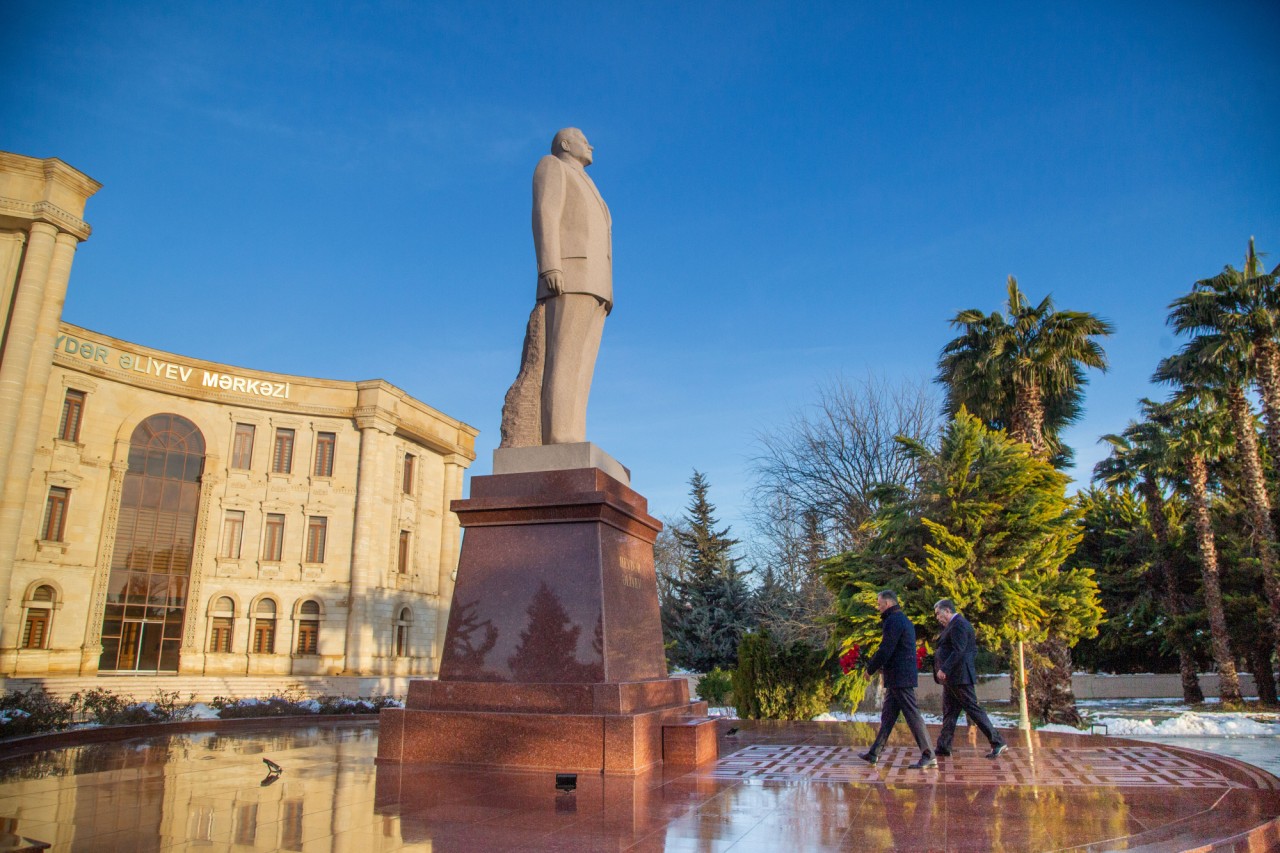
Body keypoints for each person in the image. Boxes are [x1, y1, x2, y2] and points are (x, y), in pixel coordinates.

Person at [531, 127, 612, 445]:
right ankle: (559, 436)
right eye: (583, 139)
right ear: (565, 144)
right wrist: (550, 264)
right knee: (564, 358)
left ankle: (574, 435)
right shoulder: (552, 166)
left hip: (597, 283)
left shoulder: (590, 183)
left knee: (583, 366)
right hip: (570, 274)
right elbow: (545, 214)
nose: (591, 144)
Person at [859, 590, 936, 769]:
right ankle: (874, 753)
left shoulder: (893, 620)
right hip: (898, 676)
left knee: (912, 714)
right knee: (888, 716)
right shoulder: (900, 619)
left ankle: (929, 754)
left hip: (900, 677)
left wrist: (870, 669)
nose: (878, 608)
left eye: (879, 605)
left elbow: (886, 649)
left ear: (887, 604)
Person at [932, 599, 1007, 759]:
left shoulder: (959, 624)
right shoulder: (956, 624)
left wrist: (945, 668)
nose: (937, 617)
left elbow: (959, 650)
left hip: (959, 677)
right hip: (954, 678)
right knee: (950, 712)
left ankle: (997, 741)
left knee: (973, 709)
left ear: (947, 611)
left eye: (938, 614)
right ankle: (943, 746)